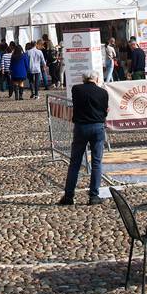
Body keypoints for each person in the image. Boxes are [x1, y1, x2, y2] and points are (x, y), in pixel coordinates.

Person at [59, 72, 108, 206]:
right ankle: (94, 195)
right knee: (97, 162)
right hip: (97, 127)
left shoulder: (77, 89)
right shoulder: (103, 93)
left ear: (83, 79)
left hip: (81, 127)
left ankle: (69, 196)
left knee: (75, 162)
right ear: (96, 79)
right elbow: (105, 111)